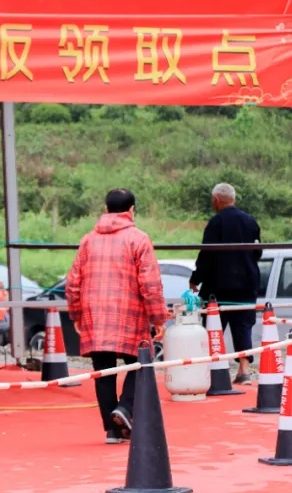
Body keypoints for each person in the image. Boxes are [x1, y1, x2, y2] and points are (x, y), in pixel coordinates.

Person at [66, 188, 167, 445]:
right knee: (139, 364)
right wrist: (158, 318)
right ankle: (124, 408)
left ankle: (112, 431)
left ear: (106, 208)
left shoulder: (88, 240)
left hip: (95, 315)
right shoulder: (139, 239)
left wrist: (76, 314)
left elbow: (73, 282)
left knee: (103, 371)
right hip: (129, 314)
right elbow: (150, 284)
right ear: (131, 210)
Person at [189, 183, 262, 384]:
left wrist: (195, 279)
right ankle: (244, 370)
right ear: (233, 199)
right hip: (247, 284)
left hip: (218, 285)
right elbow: (258, 252)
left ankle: (215, 371)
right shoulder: (250, 221)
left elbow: (207, 255)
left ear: (216, 200)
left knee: (214, 327)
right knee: (243, 327)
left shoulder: (216, 223)